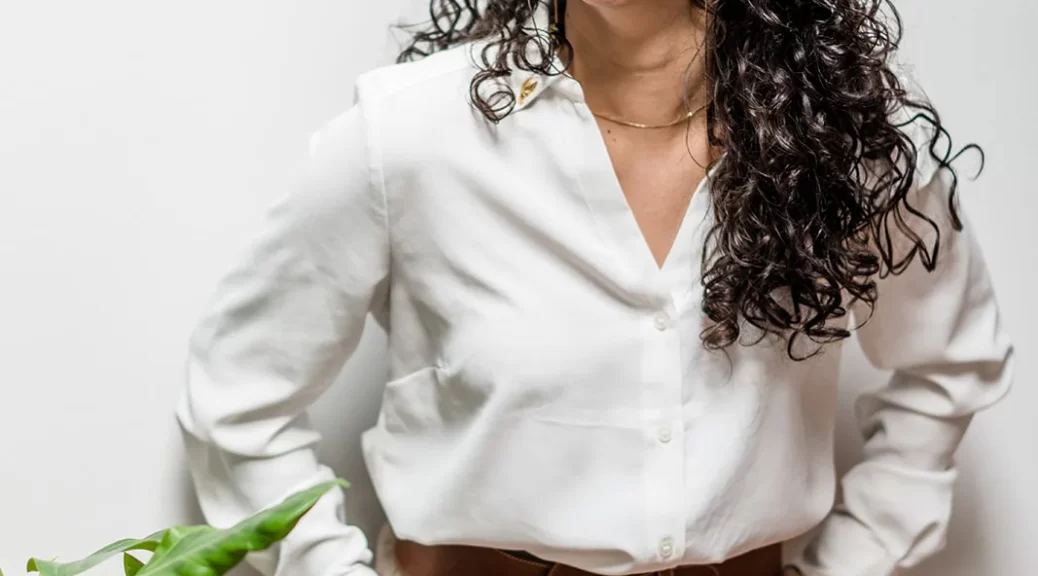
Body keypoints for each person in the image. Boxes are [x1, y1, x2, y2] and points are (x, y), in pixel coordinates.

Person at [174, 1, 1015, 575]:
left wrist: (856, 559)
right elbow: (237, 399)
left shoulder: (852, 142)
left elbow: (948, 367)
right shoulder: (405, 137)